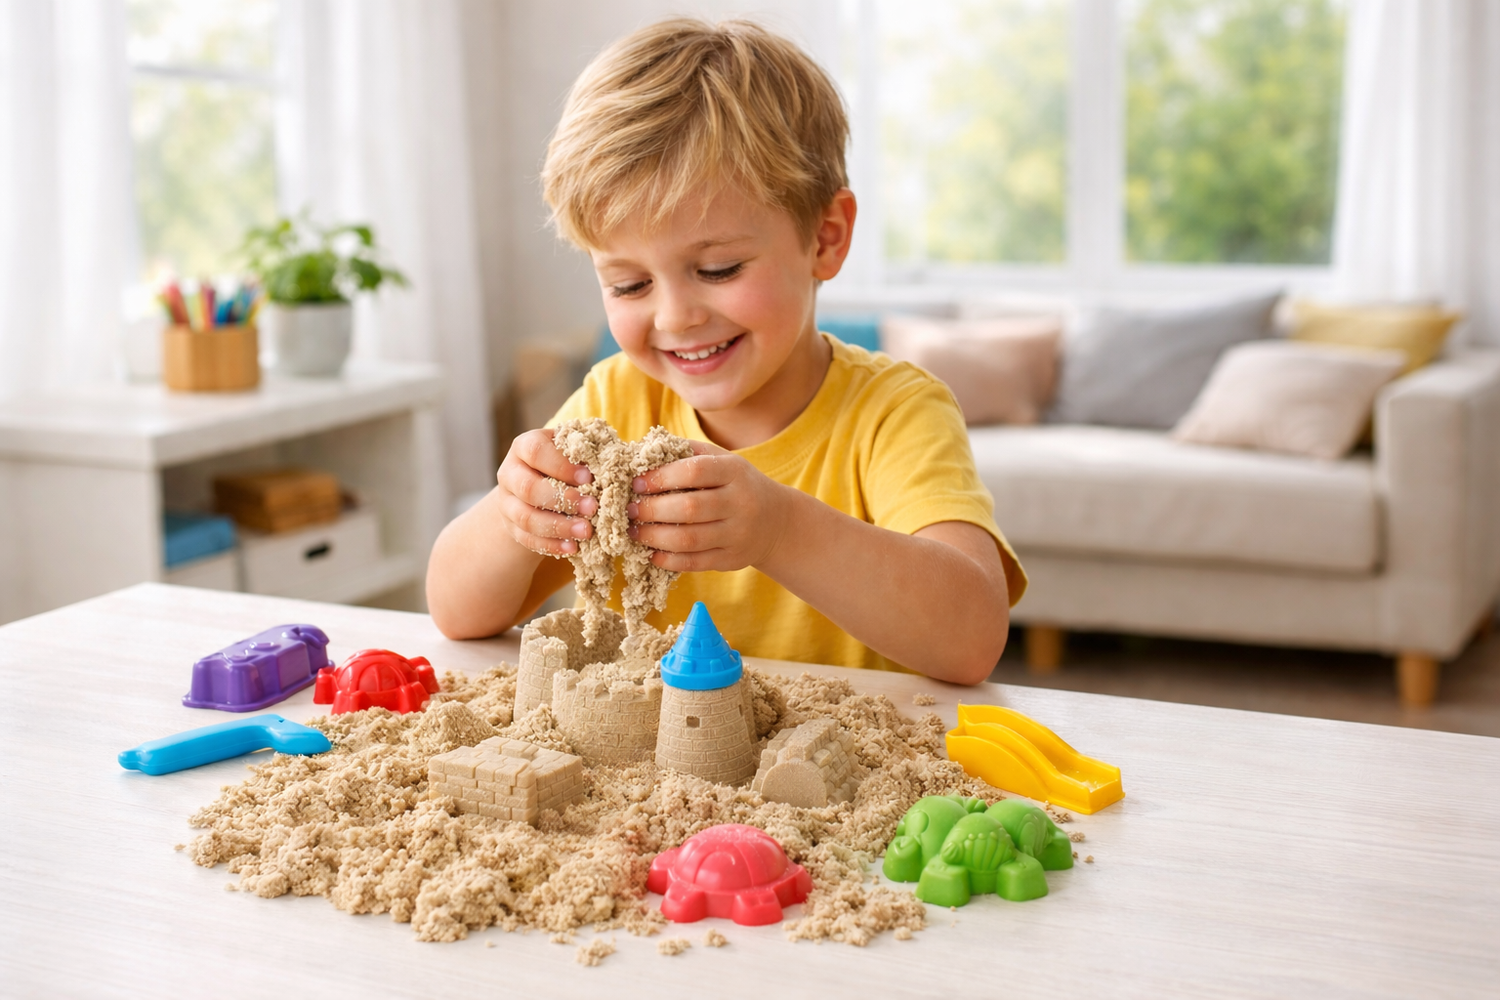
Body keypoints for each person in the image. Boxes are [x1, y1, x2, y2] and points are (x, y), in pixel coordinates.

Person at [427, 17, 1025, 684]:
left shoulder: (895, 412)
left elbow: (971, 639)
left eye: (719, 271)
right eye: (629, 283)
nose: (675, 316)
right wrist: (515, 511)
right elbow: (456, 613)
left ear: (824, 239)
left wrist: (780, 530)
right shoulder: (612, 401)